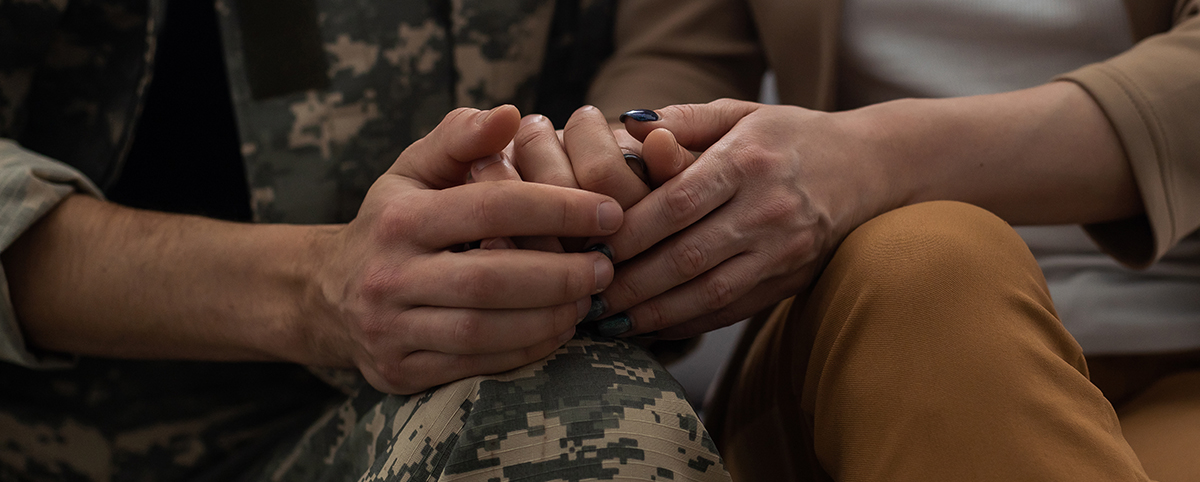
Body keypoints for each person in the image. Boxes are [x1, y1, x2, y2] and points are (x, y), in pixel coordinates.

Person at [0, 1, 732, 480]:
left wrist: (595, 158)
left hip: (472, 373)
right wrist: (313, 288)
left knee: (588, 421)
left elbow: (674, 35)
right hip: (94, 445)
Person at [582, 0, 1200, 480]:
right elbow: (680, 59)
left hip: (1178, 357)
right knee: (932, 263)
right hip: (863, 337)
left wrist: (879, 158)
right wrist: (620, 169)